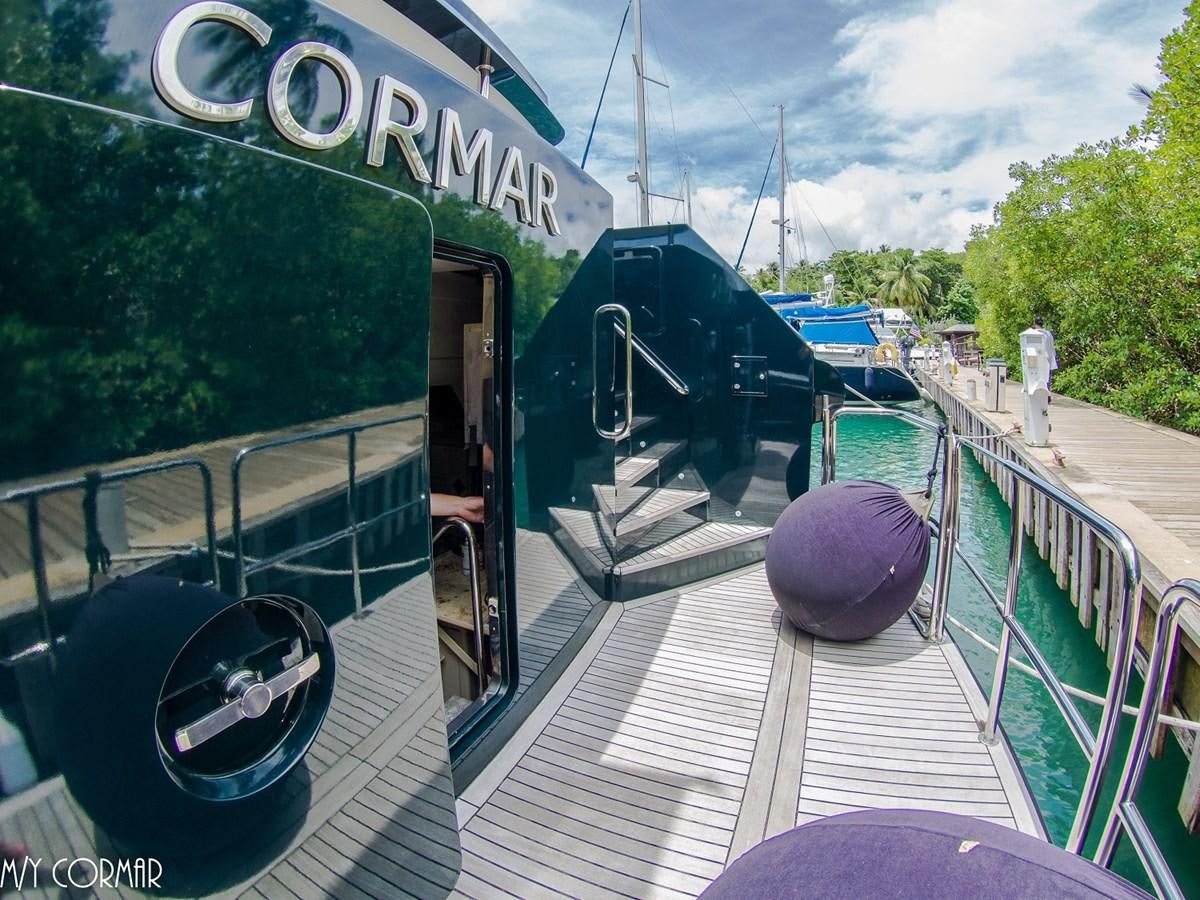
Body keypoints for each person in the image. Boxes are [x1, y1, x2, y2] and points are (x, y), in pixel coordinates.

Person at [1033, 316, 1059, 388]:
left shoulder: (1033, 333)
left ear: (1034, 323)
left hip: (1036, 360)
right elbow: (1052, 347)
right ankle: (1047, 395)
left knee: (1036, 380)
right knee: (1046, 379)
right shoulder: (1048, 334)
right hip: (1047, 359)